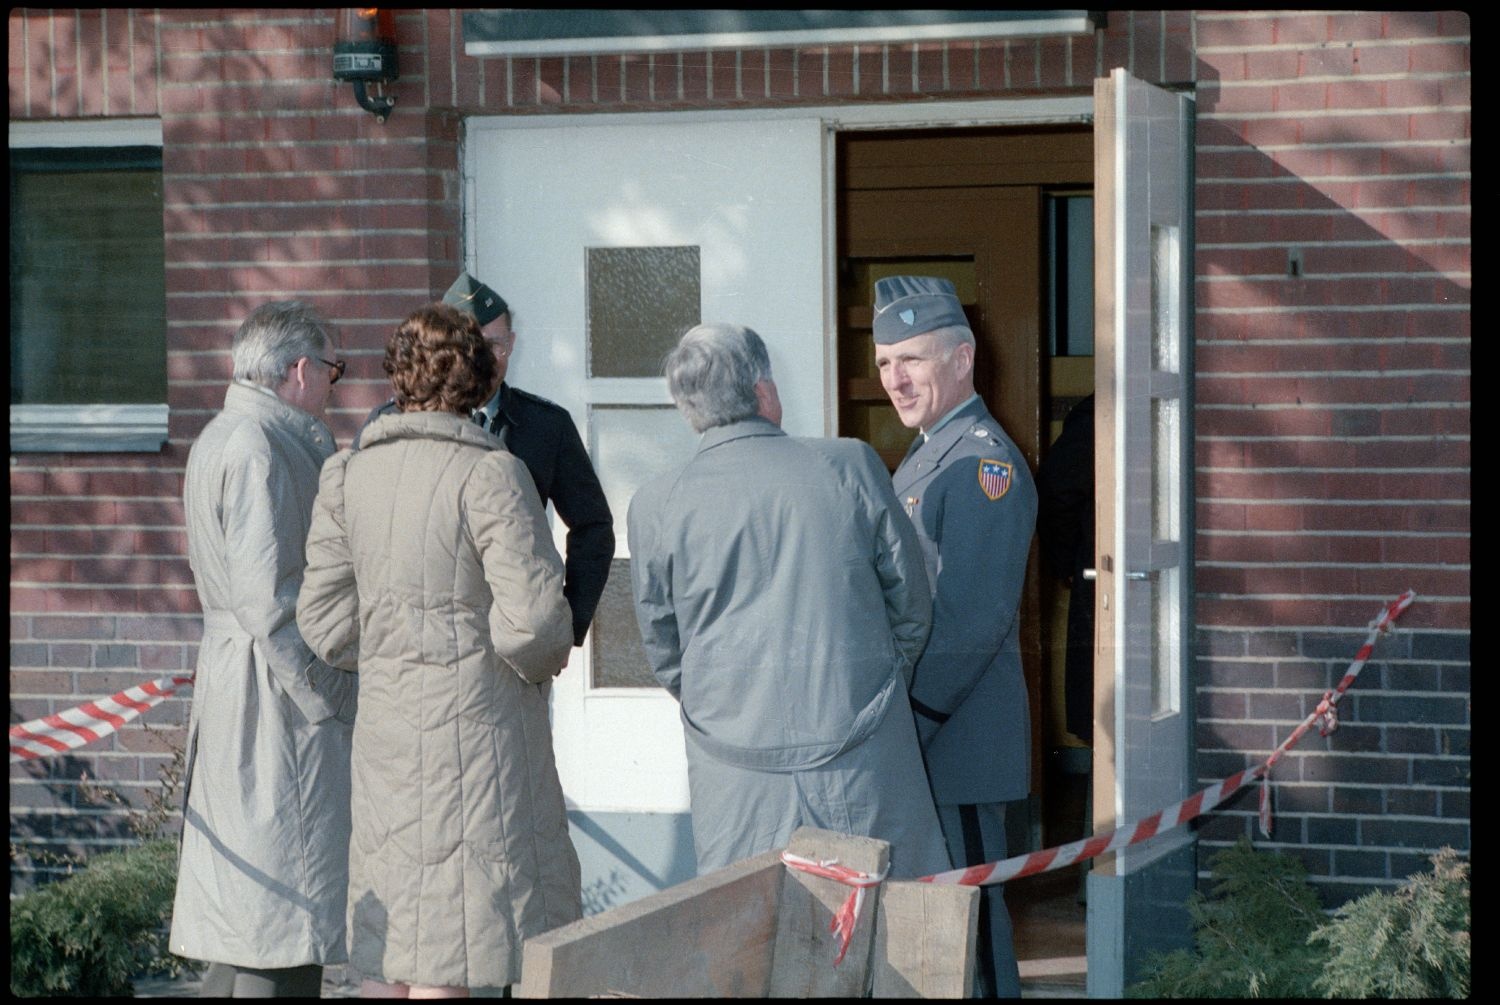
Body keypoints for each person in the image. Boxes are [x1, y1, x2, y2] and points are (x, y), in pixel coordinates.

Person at [298, 302, 581, 997]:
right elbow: (536, 623)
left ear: (400, 377)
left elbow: (326, 621)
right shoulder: (492, 475)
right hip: (475, 743)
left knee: (392, 947)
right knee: (455, 948)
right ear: (479, 380)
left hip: (389, 735)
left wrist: (398, 650)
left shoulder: (349, 475)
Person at [627, 322, 951, 881]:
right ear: (763, 391)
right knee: (886, 926)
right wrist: (871, 684)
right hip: (861, 748)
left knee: (750, 938)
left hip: (733, 767)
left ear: (688, 408)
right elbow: (911, 603)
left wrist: (727, 707)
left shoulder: (655, 502)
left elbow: (665, 648)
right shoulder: (849, 465)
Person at [170, 300, 357, 998]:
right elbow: (271, 601)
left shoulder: (225, 435)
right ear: (301, 370)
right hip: (273, 695)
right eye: (333, 373)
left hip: (241, 681)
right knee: (281, 916)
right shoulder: (259, 446)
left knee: (251, 915)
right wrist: (328, 691)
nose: (334, 390)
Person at [872, 275, 1038, 998]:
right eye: (884, 362)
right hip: (932, 738)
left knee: (971, 916)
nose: (895, 378)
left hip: (958, 739)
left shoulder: (981, 463)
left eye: (911, 358)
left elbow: (974, 617)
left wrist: (913, 720)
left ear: (962, 357)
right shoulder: (927, 454)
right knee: (937, 918)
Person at [354, 271, 613, 647]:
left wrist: (565, 627)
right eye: (473, 348)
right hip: (412, 636)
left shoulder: (544, 426)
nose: (487, 361)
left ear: (512, 343)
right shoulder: (390, 424)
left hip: (511, 638)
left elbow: (593, 526)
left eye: (497, 346)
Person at [1036, 392, 1095, 746]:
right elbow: (1055, 489)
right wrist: (1069, 559)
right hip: (1101, 575)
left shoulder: (1097, 411)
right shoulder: (1098, 415)